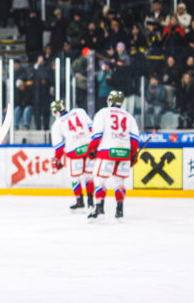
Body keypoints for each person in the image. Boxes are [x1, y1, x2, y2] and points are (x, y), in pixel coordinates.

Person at [87, 91, 141, 220]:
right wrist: (133, 155)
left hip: (106, 152)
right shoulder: (129, 116)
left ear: (109, 100)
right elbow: (134, 140)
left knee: (99, 180)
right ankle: (119, 209)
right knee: (119, 182)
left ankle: (99, 207)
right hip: (124, 154)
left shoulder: (102, 113)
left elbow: (96, 135)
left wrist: (91, 150)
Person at [49, 100, 95, 211]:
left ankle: (80, 201)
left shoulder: (57, 124)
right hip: (89, 149)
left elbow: (59, 147)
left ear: (55, 112)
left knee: (75, 178)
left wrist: (58, 159)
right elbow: (92, 129)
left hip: (74, 152)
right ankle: (91, 200)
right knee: (89, 176)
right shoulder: (80, 111)